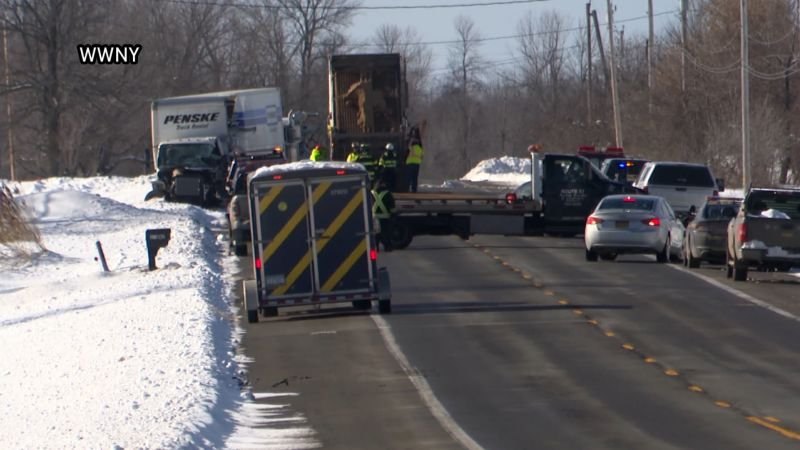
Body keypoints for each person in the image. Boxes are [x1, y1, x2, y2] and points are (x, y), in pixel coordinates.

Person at [371, 179, 395, 251]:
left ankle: (376, 247)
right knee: (386, 232)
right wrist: (393, 215)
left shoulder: (372, 193)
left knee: (376, 233)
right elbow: (392, 208)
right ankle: (387, 247)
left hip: (374, 217)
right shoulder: (388, 194)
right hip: (385, 217)